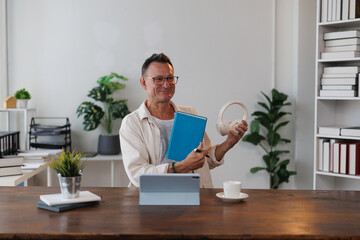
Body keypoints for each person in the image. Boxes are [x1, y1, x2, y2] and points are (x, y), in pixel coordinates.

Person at [119, 53, 248, 188]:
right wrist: (182, 166)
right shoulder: (132, 123)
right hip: (154, 196)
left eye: (170, 78)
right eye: (158, 79)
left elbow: (205, 160)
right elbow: (137, 174)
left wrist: (229, 142)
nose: (166, 84)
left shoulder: (189, 114)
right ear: (144, 82)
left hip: (195, 193)